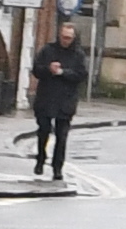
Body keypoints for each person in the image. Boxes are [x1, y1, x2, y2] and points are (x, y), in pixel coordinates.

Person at [29, 21, 90, 179]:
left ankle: (58, 168)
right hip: (46, 97)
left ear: (74, 38)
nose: (65, 40)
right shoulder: (48, 50)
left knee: (62, 136)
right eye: (63, 37)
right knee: (43, 131)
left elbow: (81, 75)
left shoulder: (79, 55)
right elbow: (36, 70)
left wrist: (63, 72)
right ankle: (40, 159)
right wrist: (48, 69)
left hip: (66, 100)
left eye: (69, 38)